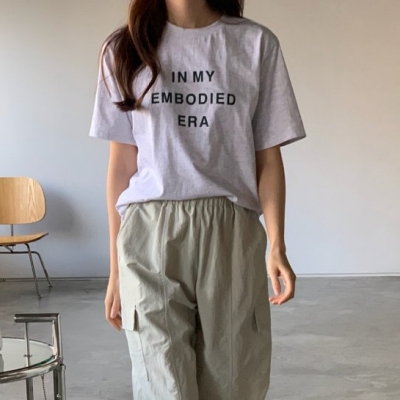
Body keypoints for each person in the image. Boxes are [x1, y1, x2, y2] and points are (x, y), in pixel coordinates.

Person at [89, 0, 307, 399]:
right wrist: (115, 270)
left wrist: (277, 244)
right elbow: (121, 165)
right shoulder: (124, 48)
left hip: (230, 229)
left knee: (234, 379)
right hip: (148, 232)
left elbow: (268, 157)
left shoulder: (255, 43)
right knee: (162, 383)